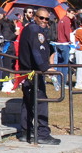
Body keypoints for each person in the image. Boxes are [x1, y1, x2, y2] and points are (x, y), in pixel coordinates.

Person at [17, 8, 60, 145]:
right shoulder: (35, 30)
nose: (44, 21)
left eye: (47, 19)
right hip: (33, 72)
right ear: (35, 17)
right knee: (41, 102)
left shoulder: (31, 29)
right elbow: (37, 51)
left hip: (28, 71)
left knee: (28, 102)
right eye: (41, 18)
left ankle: (26, 131)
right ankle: (42, 133)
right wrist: (45, 67)